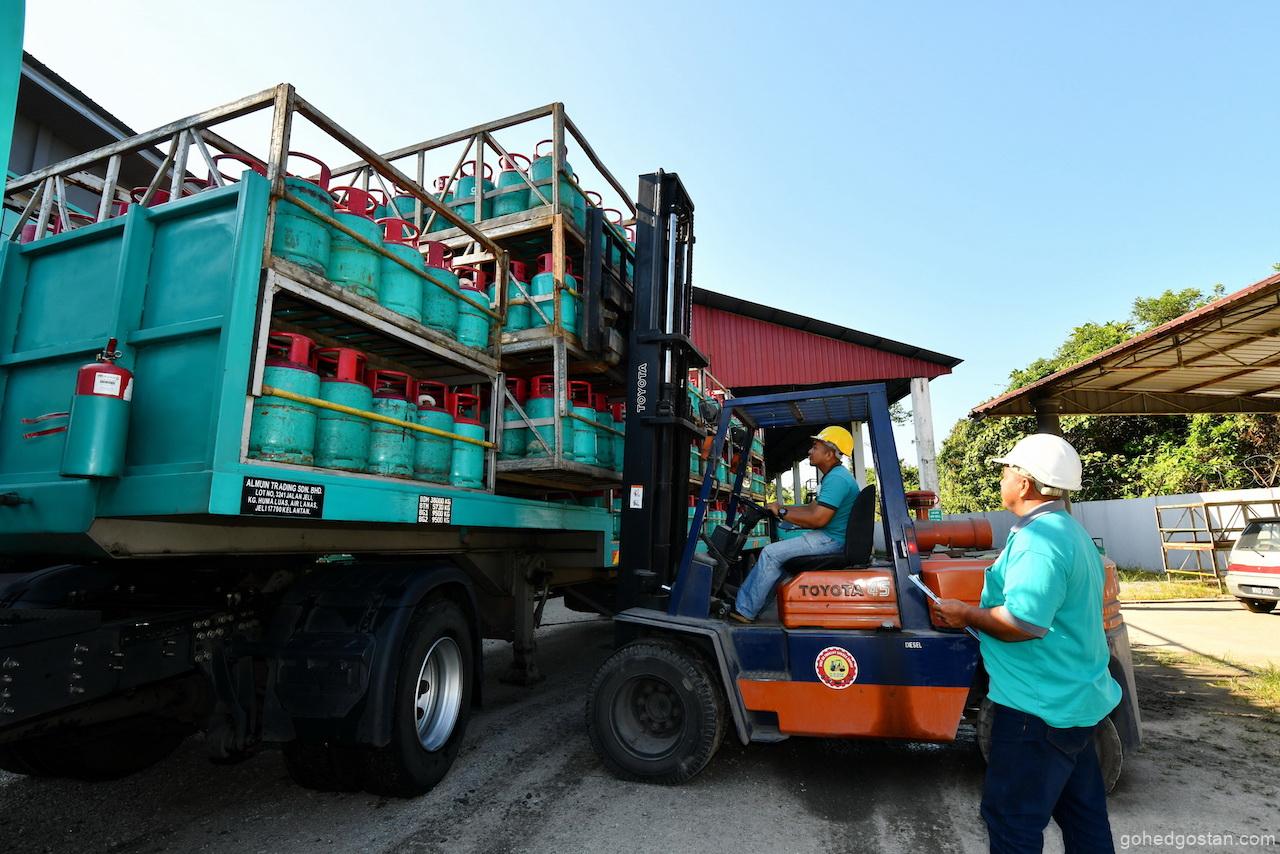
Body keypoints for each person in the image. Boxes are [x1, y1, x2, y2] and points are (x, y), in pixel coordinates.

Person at [933, 433, 1121, 854]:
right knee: (1083, 817)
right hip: (1073, 703)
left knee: (1011, 822)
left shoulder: (1039, 543)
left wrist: (965, 615)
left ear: (1026, 483)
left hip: (1036, 712)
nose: (1001, 478)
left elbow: (1022, 623)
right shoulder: (1067, 532)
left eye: (1007, 470)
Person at [731, 426, 859, 623]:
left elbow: (818, 519)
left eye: (815, 447)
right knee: (778, 558)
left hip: (831, 539)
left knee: (770, 553)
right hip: (832, 537)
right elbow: (811, 509)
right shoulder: (834, 476)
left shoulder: (837, 479)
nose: (810, 451)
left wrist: (782, 512)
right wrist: (781, 509)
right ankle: (753, 606)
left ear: (829, 453)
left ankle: (744, 610)